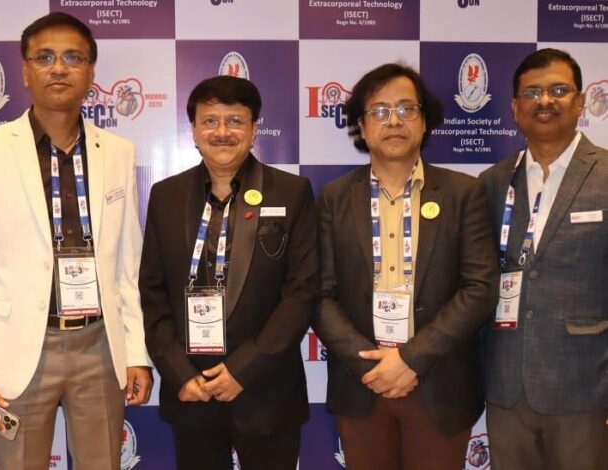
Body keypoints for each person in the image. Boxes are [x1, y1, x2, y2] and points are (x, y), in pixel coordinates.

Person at [0, 12, 152, 470]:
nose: (59, 68)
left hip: (100, 347)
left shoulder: (118, 152)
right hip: (18, 348)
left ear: (91, 73)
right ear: (25, 71)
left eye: (73, 58)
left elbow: (127, 267)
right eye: (45, 58)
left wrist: (137, 352)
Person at [312, 63, 498, 470]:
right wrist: (371, 365)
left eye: (405, 109)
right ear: (362, 126)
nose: (393, 121)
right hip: (363, 383)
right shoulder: (333, 198)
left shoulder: (464, 193)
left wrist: (412, 359)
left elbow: (479, 287)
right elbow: (319, 294)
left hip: (440, 381)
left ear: (424, 120)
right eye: (379, 111)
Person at [139, 75, 318, 470]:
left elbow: (302, 292)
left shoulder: (292, 192)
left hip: (266, 390)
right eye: (210, 121)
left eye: (235, 121)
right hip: (192, 390)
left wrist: (243, 369)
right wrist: (178, 373)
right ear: (193, 130)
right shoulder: (166, 196)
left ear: (254, 130)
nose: (222, 132)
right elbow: (152, 291)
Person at [479, 48, 608, 470]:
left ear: (581, 101)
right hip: (506, 385)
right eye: (532, 93)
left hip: (586, 386)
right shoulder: (493, 182)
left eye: (558, 90)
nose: (545, 101)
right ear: (515, 108)